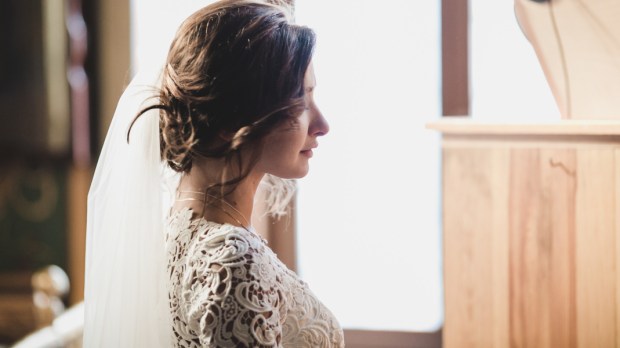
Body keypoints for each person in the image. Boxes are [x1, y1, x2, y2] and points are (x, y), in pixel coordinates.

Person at [83, 0, 344, 347]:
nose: (322, 125)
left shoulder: (179, 226)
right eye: (301, 101)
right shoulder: (234, 261)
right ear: (232, 121)